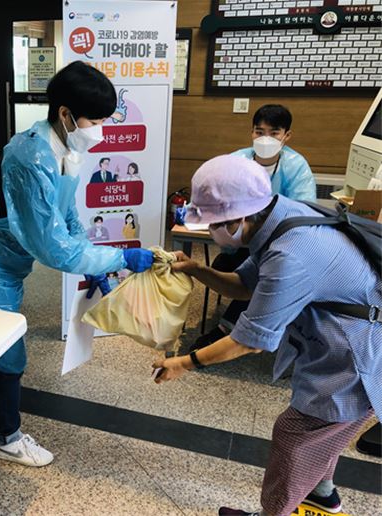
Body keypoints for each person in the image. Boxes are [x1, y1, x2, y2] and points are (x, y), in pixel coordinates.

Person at [0, 61, 154, 467]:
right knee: (9, 354)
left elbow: (67, 218)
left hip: (6, 263)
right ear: (65, 114)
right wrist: (120, 256)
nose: (99, 129)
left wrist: (94, 264)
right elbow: (51, 247)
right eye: (93, 120)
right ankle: (5, 438)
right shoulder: (32, 156)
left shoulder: (65, 150)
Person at [153, 155, 381, 516]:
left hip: (359, 356)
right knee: (322, 433)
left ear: (240, 217)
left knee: (297, 432)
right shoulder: (279, 216)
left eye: (213, 224)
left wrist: (183, 362)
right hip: (339, 342)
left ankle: (273, 513)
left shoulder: (293, 253)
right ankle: (322, 494)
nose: (210, 232)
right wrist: (197, 270)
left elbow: (249, 341)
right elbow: (245, 286)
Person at [193, 104, 317, 352]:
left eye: (274, 133)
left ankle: (227, 329)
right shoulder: (237, 160)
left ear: (287, 136)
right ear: (251, 133)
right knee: (230, 269)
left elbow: (304, 209)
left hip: (277, 242)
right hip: (240, 242)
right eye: (259, 132)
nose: (265, 139)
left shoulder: (296, 166)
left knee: (263, 275)